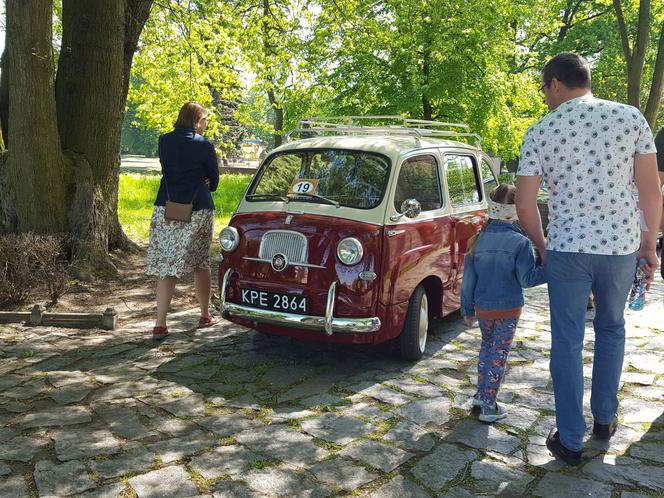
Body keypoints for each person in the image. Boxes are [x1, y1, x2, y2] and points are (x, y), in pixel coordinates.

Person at [516, 53, 662, 465]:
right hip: (620, 248)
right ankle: (604, 419)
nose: (545, 97)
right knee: (612, 328)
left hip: (567, 248)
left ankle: (571, 440)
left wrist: (543, 245)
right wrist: (649, 246)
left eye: (544, 89)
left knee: (566, 340)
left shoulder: (540, 131)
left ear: (556, 84)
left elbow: (526, 207)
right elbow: (651, 192)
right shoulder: (632, 118)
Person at [461, 184, 546, 423]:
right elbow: (527, 280)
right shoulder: (520, 242)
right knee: (499, 353)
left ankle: (480, 395)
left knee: (487, 349)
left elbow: (468, 282)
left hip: (483, 308)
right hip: (508, 309)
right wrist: (550, 270)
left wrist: (467, 310)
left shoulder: (477, 240)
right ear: (515, 210)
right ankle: (489, 406)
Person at [147, 102, 220, 339]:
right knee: (201, 262)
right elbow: (214, 179)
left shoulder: (164, 141)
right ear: (197, 120)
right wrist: (206, 181)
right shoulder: (204, 144)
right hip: (198, 207)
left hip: (167, 208)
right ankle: (205, 314)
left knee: (168, 266)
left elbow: (169, 170)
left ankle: (160, 324)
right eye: (205, 120)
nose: (206, 125)